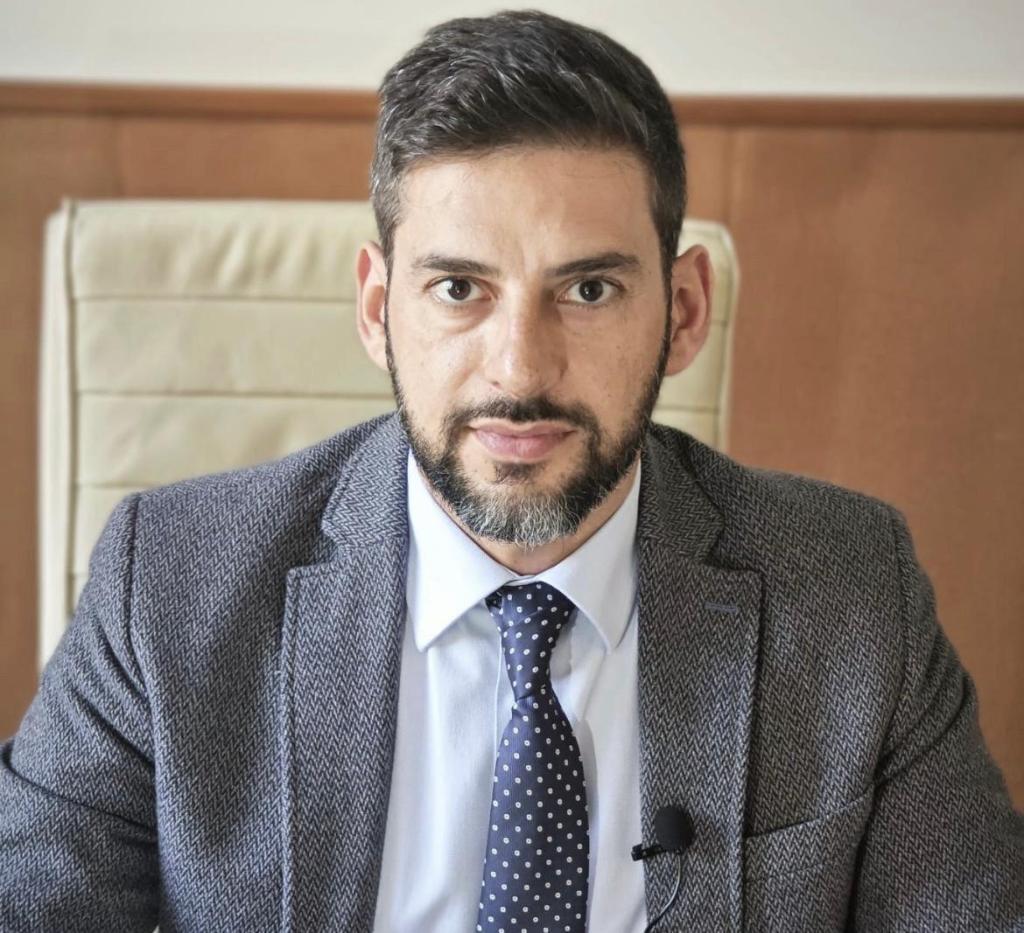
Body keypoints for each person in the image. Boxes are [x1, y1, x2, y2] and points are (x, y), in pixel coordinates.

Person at [2, 9, 1022, 932]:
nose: (521, 370)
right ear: (377, 309)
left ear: (682, 312)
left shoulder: (852, 593)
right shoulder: (167, 584)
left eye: (588, 290)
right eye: (459, 288)